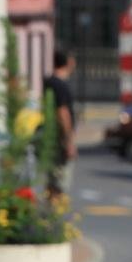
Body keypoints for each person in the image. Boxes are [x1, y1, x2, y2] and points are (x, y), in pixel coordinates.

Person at [45, 49, 76, 200]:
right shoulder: (60, 86)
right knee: (59, 181)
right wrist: (68, 141)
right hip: (59, 138)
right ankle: (55, 210)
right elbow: (63, 112)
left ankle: (51, 208)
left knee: (52, 181)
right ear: (68, 62)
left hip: (50, 136)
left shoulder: (48, 82)